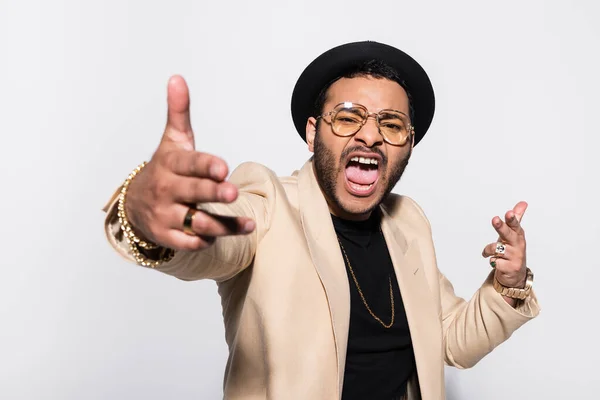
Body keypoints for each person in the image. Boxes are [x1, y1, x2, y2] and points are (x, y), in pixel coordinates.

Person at [102, 41, 540, 400]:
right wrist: (147, 213)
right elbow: (218, 236)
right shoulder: (269, 201)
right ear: (313, 133)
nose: (369, 135)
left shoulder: (408, 223)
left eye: (391, 125)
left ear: (407, 145)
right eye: (347, 117)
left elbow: (450, 341)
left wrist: (509, 283)